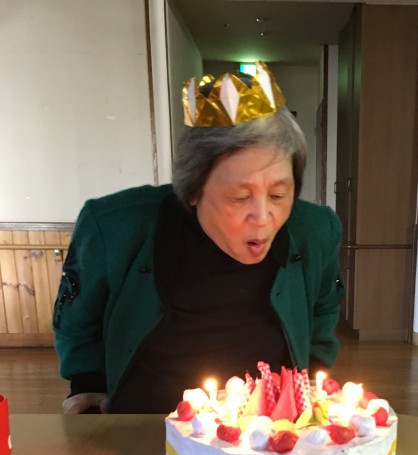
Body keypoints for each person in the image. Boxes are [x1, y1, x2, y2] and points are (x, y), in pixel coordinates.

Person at [53, 63, 344, 414]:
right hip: (148, 419)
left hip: (268, 425)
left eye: (279, 195)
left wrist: (312, 372)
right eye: (240, 197)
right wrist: (87, 383)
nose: (263, 216)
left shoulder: (315, 230)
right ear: (193, 190)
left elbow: (323, 307)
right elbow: (78, 318)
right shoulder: (113, 226)